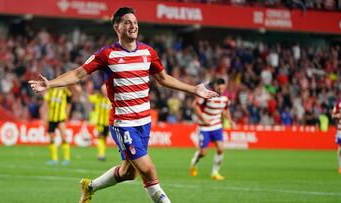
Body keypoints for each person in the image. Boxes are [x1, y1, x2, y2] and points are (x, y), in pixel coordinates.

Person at [29, 7, 218, 203]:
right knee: (148, 170)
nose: (133, 25)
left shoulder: (148, 52)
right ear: (116, 27)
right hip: (123, 123)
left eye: (135, 22)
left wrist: (193, 89)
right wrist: (50, 83)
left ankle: (90, 186)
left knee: (129, 173)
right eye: (127, 22)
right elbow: (78, 73)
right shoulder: (107, 54)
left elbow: (163, 78)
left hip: (144, 122)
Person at [190, 78, 235, 180]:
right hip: (204, 127)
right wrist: (203, 118)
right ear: (215, 86)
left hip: (217, 126)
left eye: (222, 87)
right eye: (219, 86)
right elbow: (195, 106)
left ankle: (215, 172)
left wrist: (231, 121)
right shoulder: (208, 95)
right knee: (203, 153)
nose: (221, 88)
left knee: (220, 149)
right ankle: (194, 162)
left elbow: (225, 110)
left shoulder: (225, 99)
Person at [43, 87, 72, 165]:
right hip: (51, 118)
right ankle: (54, 159)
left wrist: (67, 114)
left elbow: (69, 102)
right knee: (51, 138)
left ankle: (66, 159)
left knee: (64, 137)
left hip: (61, 118)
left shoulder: (65, 91)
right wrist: (45, 115)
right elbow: (46, 103)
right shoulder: (50, 91)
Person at [88, 84, 112, 161]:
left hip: (108, 123)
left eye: (105, 90)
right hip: (100, 122)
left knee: (104, 138)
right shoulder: (98, 97)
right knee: (100, 137)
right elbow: (89, 98)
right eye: (103, 90)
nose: (104, 91)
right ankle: (101, 155)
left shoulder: (111, 99)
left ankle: (102, 153)